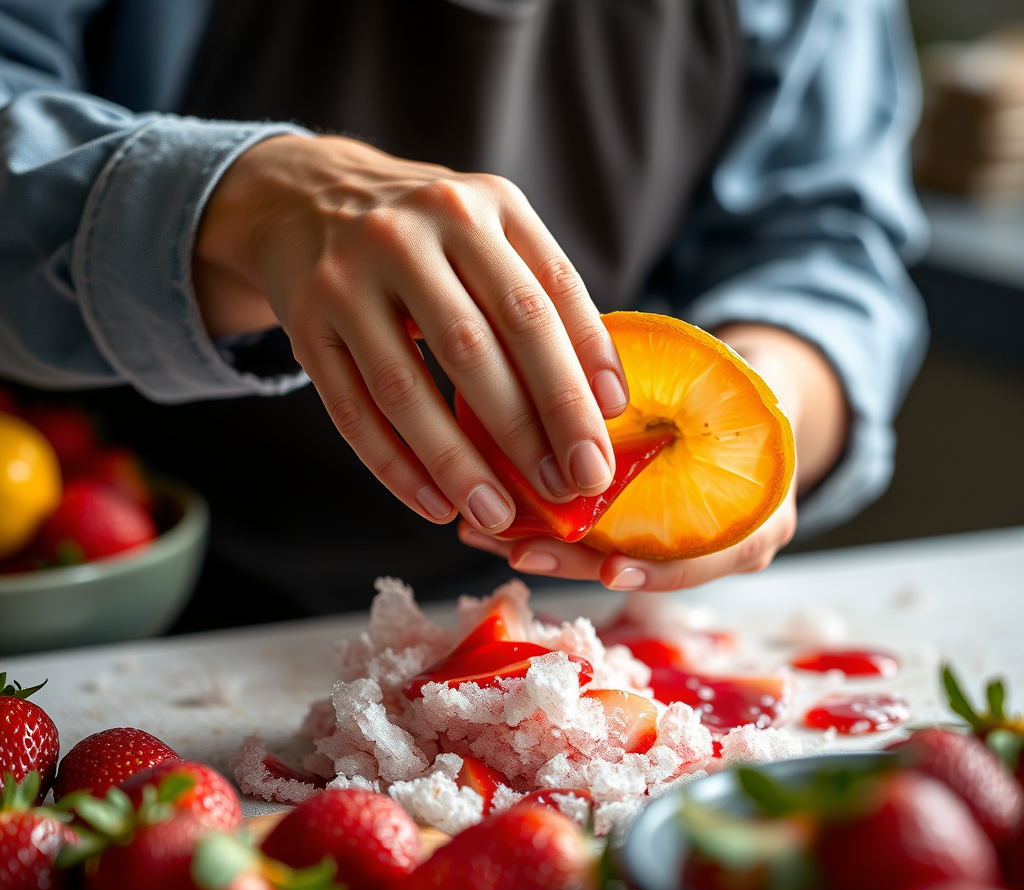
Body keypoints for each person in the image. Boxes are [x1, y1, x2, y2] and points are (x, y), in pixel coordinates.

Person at [0, 0, 927, 625]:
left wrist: (765, 407)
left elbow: (822, 239)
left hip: (573, 628)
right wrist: (241, 201)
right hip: (98, 599)